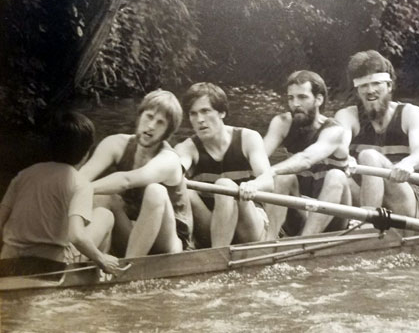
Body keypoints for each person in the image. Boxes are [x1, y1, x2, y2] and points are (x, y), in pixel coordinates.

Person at [0, 111, 121, 277]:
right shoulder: (80, 183)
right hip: (49, 267)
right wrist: (102, 259)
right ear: (86, 154)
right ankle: (99, 276)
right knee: (105, 215)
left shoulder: (24, 175)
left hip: (8, 263)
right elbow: (76, 236)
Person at [80, 90, 193, 258]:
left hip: (169, 244)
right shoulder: (115, 143)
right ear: (139, 116)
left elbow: (126, 180)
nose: (151, 126)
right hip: (134, 233)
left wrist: (82, 189)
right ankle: (75, 254)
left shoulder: (168, 159)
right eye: (149, 117)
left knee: (156, 191)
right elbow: (81, 178)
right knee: (103, 198)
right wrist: (72, 188)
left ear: (167, 132)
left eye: (160, 123)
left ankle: (129, 269)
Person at [174, 82, 272, 248]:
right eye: (193, 114)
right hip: (211, 226)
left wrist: (253, 184)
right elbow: (175, 170)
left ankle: (217, 255)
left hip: (249, 225)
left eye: (205, 111)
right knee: (184, 189)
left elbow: (269, 181)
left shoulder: (248, 138)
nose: (200, 120)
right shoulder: (186, 148)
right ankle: (207, 250)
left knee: (225, 185)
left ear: (222, 112)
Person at [335, 50, 419, 217]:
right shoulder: (347, 115)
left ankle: (366, 225)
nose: (370, 90)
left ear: (389, 86)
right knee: (335, 176)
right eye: (363, 85)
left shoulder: (411, 113)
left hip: (405, 195)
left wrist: (407, 163)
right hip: (363, 193)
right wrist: (343, 157)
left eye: (376, 83)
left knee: (369, 156)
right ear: (357, 91)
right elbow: (340, 146)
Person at [262, 71, 351, 237]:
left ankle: (303, 242)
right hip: (301, 209)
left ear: (318, 99)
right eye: (291, 98)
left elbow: (306, 159)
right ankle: (268, 242)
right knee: (283, 177)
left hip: (333, 216)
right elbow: (258, 158)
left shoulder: (334, 130)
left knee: (335, 176)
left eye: (302, 97)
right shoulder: (283, 123)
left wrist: (270, 171)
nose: (295, 104)